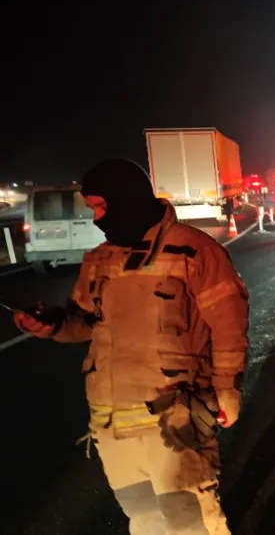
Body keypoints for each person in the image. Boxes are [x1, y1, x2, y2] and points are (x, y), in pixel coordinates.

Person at [15, 158, 249, 534]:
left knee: (189, 522)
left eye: (100, 207)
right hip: (112, 427)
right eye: (92, 208)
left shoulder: (193, 251)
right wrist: (52, 325)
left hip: (172, 420)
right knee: (144, 523)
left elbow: (228, 324)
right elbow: (85, 323)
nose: (95, 218)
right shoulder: (102, 259)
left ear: (126, 199)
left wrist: (227, 389)